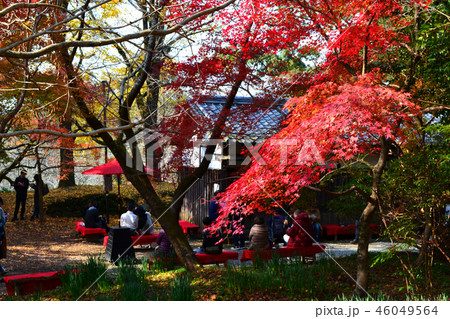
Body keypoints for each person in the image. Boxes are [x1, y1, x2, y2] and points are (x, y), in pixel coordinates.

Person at [0, 196, 9, 275]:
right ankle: (1, 269)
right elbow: (3, 221)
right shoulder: (0, 210)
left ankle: (1, 269)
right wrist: (6, 218)